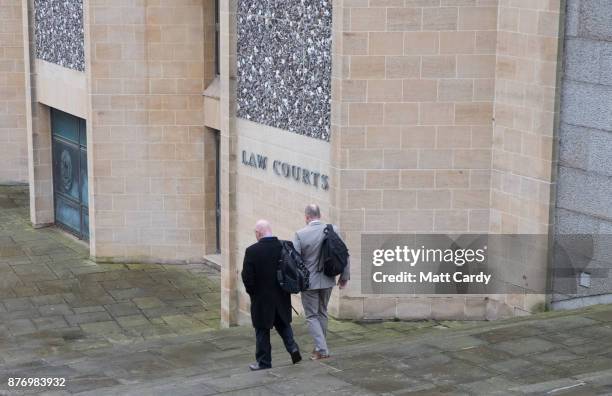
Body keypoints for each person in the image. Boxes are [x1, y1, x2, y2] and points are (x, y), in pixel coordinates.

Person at [241, 219, 302, 370]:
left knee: (262, 330)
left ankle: (264, 362)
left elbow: (247, 277)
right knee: (283, 324)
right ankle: (293, 348)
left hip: (261, 298)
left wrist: (253, 293)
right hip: (281, 295)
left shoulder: (252, 251)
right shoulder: (284, 246)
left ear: (259, 233)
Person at [293, 204, 350, 360]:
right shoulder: (333, 229)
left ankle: (322, 349)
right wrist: (344, 277)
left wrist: (295, 282)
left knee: (312, 316)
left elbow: (295, 261)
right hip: (328, 279)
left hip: (309, 283)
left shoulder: (300, 234)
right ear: (320, 214)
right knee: (322, 312)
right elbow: (345, 254)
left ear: (306, 217)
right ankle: (320, 348)